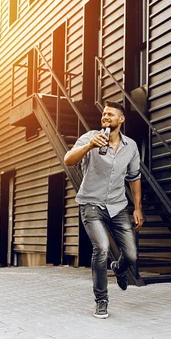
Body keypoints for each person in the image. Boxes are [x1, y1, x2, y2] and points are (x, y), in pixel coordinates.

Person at [64, 101, 144, 319]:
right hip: (91, 203)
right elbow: (68, 160)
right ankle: (101, 301)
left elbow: (134, 177)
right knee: (101, 248)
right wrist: (89, 146)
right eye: (104, 114)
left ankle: (118, 268)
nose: (105, 117)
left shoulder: (131, 146)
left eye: (110, 114)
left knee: (131, 255)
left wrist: (138, 207)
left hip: (118, 205)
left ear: (121, 119)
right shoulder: (90, 138)